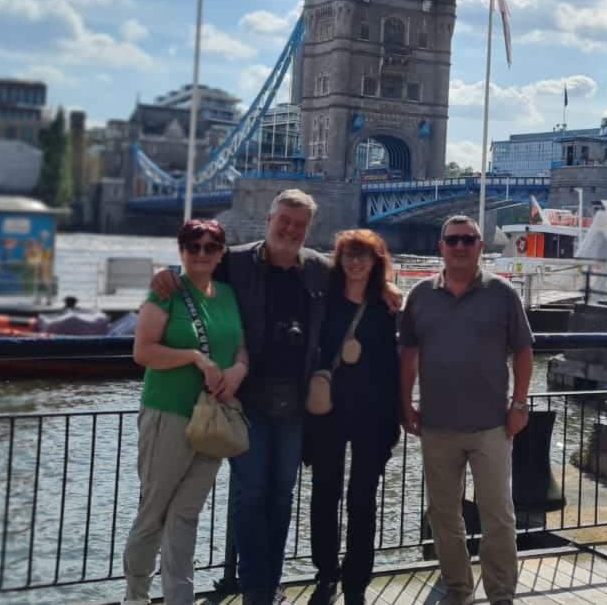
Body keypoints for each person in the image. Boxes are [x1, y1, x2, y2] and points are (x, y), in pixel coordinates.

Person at [148, 191, 399, 605]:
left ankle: (273, 582)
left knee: (282, 496)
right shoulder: (235, 262)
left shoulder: (318, 269)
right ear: (268, 220)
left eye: (299, 224)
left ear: (308, 229)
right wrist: (166, 275)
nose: (290, 230)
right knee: (250, 494)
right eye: (284, 220)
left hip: (298, 403)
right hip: (247, 400)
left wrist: (386, 283)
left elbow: (359, 278)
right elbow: (196, 272)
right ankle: (254, 588)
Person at [400, 216, 535, 605]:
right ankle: (459, 589)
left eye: (468, 239)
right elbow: (407, 355)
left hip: (491, 425)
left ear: (480, 246)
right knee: (443, 514)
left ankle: (501, 594)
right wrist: (405, 403)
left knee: (498, 515)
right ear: (441, 246)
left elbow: (523, 351)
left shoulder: (502, 293)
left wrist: (519, 403)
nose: (460, 246)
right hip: (436, 424)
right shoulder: (420, 296)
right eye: (453, 240)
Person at [124, 219, 246, 605]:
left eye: (211, 247)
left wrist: (238, 371)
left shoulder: (228, 293)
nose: (202, 253)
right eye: (194, 246)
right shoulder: (167, 291)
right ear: (181, 251)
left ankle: (180, 598)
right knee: (154, 512)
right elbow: (143, 351)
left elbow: (240, 347)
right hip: (169, 413)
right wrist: (195, 358)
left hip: (213, 419)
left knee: (186, 515)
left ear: (222, 253)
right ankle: (136, 596)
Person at [305, 229, 402, 605]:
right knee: (324, 495)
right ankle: (326, 574)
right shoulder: (324, 300)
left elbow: (394, 365)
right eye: (349, 255)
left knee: (363, 498)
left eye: (364, 256)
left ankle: (356, 580)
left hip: (372, 413)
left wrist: (395, 416)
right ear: (339, 259)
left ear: (377, 262)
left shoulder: (386, 306)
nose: (356, 262)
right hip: (327, 412)